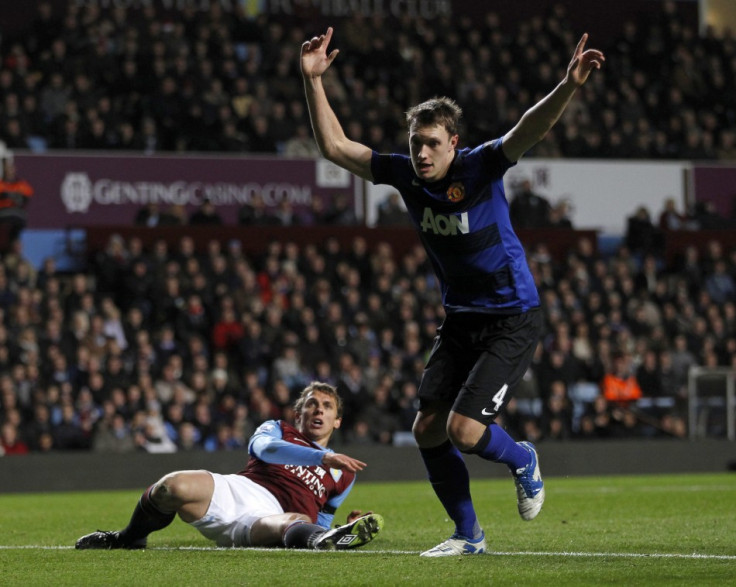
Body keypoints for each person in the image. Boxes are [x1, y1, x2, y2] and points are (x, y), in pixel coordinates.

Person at [301, 27, 603, 556]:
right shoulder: (405, 176)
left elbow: (528, 130)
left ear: (453, 143)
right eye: (416, 142)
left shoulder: (481, 166)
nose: (421, 153)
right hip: (462, 317)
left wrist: (568, 86)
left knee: (464, 431)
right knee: (427, 430)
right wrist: (313, 82)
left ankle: (522, 458)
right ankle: (469, 536)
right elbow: (335, 146)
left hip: (512, 314)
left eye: (431, 143)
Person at [75, 382, 384, 550]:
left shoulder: (344, 473)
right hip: (238, 489)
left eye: (327, 406)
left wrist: (340, 528)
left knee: (298, 520)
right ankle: (128, 538)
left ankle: (321, 544)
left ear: (337, 421)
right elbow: (264, 449)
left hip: (274, 518)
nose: (319, 409)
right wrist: (320, 456)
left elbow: (322, 517)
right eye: (311, 404)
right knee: (172, 486)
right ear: (298, 413)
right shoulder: (277, 429)